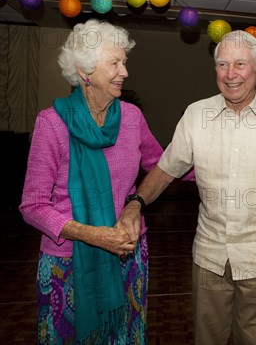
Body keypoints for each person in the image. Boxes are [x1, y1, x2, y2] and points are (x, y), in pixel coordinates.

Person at [119, 30, 256, 345]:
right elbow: (166, 169)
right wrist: (135, 204)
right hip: (209, 258)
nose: (231, 74)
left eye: (240, 64)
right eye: (223, 65)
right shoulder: (197, 115)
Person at [19, 19, 164, 343]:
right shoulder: (52, 123)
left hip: (128, 253)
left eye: (124, 62)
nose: (124, 72)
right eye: (115, 63)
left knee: (125, 335)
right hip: (68, 262)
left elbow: (161, 164)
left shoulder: (131, 117)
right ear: (85, 71)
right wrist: (94, 235)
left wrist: (216, 166)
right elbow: (33, 206)